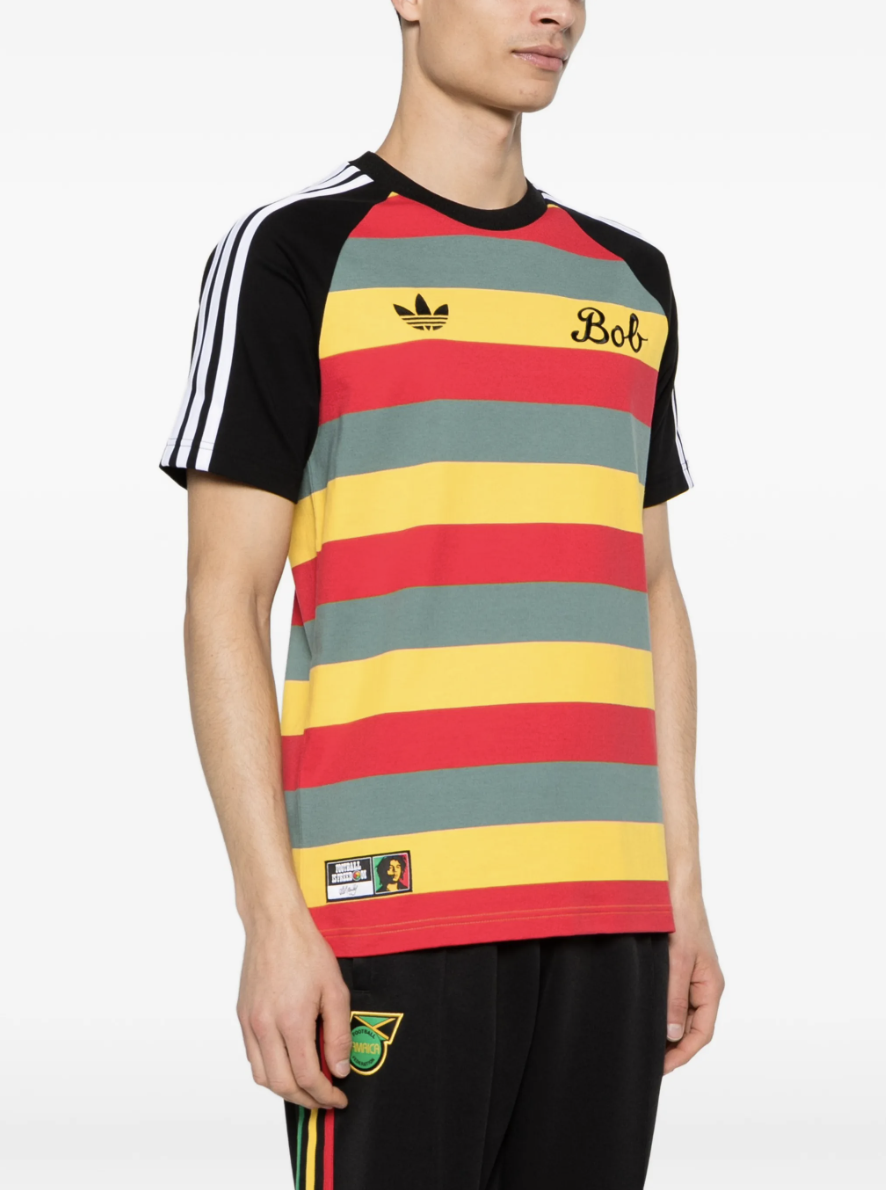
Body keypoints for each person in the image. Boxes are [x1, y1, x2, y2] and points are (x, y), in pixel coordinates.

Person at [158, 2, 725, 1187]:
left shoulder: (631, 281)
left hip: (607, 912)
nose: (555, 11)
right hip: (388, 910)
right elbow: (226, 598)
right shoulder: (296, 251)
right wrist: (272, 917)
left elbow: (650, 589)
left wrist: (682, 891)